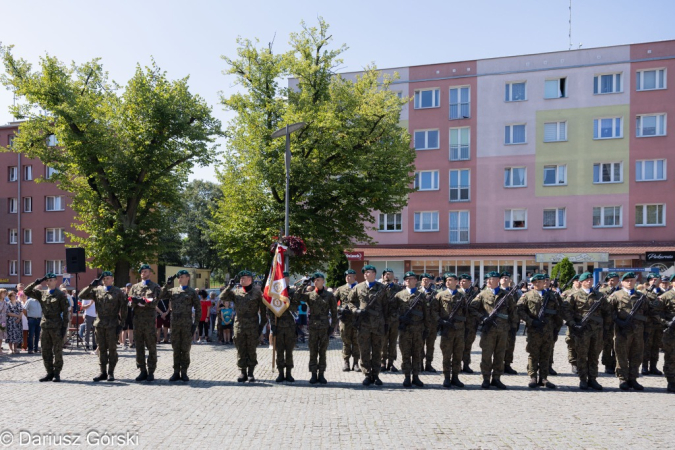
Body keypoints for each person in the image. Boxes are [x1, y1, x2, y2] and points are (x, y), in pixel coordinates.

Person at [564, 272, 612, 390]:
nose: (589, 281)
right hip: (581, 331)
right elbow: (566, 311)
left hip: (597, 330)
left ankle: (593, 379)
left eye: (591, 279)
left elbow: (608, 313)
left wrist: (606, 328)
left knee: (594, 355)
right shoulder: (574, 296)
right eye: (587, 280)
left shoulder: (600, 296)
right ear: (581, 282)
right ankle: (583, 379)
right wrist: (573, 324)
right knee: (581, 355)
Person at [470, 271, 518, 389]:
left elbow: (513, 312)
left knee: (500, 355)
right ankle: (486, 378)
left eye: (491, 279)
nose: (488, 281)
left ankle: (496, 378)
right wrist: (482, 318)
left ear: (497, 280)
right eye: (487, 279)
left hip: (503, 330)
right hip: (488, 330)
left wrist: (513, 327)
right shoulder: (482, 294)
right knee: (486, 355)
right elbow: (471, 308)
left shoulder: (507, 295)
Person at [79, 271, 127, 382]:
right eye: (104, 278)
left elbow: (124, 309)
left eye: (108, 278)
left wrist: (122, 324)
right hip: (100, 324)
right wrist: (91, 285)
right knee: (102, 349)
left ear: (112, 279)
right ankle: (103, 372)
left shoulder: (118, 292)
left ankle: (111, 372)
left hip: (112, 324)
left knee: (112, 349)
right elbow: (81, 295)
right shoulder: (97, 290)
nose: (105, 280)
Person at [608, 272, 651, 390]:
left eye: (632, 280)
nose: (629, 282)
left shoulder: (641, 296)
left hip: (638, 332)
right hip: (622, 331)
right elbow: (609, 312)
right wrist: (618, 321)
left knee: (636, 355)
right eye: (627, 280)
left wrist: (646, 330)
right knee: (621, 355)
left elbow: (648, 313)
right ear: (622, 282)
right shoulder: (616, 295)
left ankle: (633, 378)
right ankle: (623, 379)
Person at [219, 270, 264, 383]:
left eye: (244, 278)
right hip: (239, 325)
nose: (242, 280)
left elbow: (263, 311)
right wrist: (229, 286)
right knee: (241, 349)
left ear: (250, 279)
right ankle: (242, 372)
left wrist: (261, 327)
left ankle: (251, 373)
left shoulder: (257, 293)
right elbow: (222, 296)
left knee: (251, 349)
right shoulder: (236, 292)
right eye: (241, 278)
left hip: (252, 325)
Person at [348, 264, 389, 386]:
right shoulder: (358, 287)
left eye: (369, 272)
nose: (366, 274)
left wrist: (386, 323)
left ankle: (376, 375)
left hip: (378, 325)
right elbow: (350, 302)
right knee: (364, 350)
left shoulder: (382, 288)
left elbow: (387, 307)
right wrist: (356, 310)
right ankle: (366, 374)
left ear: (374, 274)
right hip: (363, 324)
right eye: (365, 272)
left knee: (377, 350)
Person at [24, 273, 70, 381]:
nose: (48, 282)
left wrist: (64, 328)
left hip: (56, 326)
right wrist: (37, 282)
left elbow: (65, 312)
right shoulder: (42, 293)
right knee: (45, 350)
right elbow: (27, 291)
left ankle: (57, 373)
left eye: (51, 280)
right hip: (45, 326)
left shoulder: (61, 295)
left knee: (57, 350)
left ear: (56, 281)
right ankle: (49, 372)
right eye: (47, 280)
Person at [517, 274, 560, 389]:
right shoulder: (527, 296)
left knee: (546, 354)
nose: (538, 284)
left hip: (548, 330)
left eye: (540, 281)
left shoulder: (552, 295)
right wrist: (530, 321)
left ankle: (544, 378)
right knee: (533, 354)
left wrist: (556, 329)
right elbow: (520, 310)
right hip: (534, 330)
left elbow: (558, 312)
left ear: (544, 283)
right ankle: (533, 377)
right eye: (535, 282)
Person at [295, 272, 337, 384]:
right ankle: (313, 374)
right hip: (313, 327)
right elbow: (297, 297)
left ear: (323, 281)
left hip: (324, 327)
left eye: (318, 280)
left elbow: (334, 312)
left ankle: (321, 374)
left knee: (322, 351)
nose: (316, 282)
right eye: (314, 280)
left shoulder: (329, 296)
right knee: (313, 351)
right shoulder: (310, 295)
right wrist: (303, 285)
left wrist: (332, 327)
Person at [160, 270, 201, 382]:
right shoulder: (173, 291)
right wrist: (167, 284)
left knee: (185, 349)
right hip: (175, 325)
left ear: (187, 278)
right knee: (176, 349)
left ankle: (184, 372)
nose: (179, 279)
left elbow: (198, 309)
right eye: (178, 277)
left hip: (187, 325)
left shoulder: (192, 292)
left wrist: (195, 324)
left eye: (182, 277)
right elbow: (160, 295)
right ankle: (176, 372)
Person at [393, 271, 430, 387]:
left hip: (418, 330)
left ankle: (416, 376)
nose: (409, 281)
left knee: (417, 354)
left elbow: (426, 314)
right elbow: (393, 311)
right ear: (405, 281)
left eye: (412, 279)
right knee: (406, 354)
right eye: (407, 279)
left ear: (416, 281)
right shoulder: (399, 295)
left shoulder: (422, 296)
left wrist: (427, 329)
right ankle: (407, 376)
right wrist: (401, 319)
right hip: (405, 331)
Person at [128, 264, 162, 382]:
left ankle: (151, 371)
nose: (143, 273)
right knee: (139, 347)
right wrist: (135, 302)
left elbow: (155, 302)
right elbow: (129, 302)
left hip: (149, 322)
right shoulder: (135, 287)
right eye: (142, 271)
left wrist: (143, 301)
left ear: (150, 273)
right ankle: (142, 370)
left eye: (146, 271)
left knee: (151, 346)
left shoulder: (155, 287)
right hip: (137, 321)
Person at [436, 273, 467, 388]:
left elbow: (466, 313)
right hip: (447, 330)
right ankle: (446, 377)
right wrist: (441, 321)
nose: (448, 282)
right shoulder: (440, 295)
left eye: (450, 280)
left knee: (458, 355)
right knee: (446, 355)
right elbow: (434, 311)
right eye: (446, 280)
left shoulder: (461, 296)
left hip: (459, 330)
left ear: (456, 282)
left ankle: (455, 377)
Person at [269, 272, 300, 382]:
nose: (284, 280)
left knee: (289, 351)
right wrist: (273, 324)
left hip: (290, 326)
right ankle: (281, 373)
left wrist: (287, 298)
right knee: (279, 351)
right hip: (279, 326)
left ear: (288, 280)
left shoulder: (292, 292)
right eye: (282, 278)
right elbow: (270, 310)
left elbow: (295, 307)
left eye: (286, 278)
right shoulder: (275, 293)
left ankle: (289, 373)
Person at [334, 269, 360, 372]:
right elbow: (332, 302)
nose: (348, 278)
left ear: (355, 277)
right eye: (347, 276)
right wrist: (339, 309)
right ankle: (346, 362)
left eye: (350, 276)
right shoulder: (340, 289)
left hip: (357, 319)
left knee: (357, 341)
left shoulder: (360, 288)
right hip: (345, 320)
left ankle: (356, 363)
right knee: (346, 341)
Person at [380, 268, 403, 373]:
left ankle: (391, 362)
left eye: (389, 274)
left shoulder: (398, 289)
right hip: (382, 319)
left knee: (393, 342)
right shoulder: (379, 288)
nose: (387, 276)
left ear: (393, 276)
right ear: (382, 277)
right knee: (383, 342)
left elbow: (401, 304)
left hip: (394, 320)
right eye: (385, 274)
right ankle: (382, 362)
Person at [642, 273, 665, 376]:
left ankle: (653, 366)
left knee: (656, 346)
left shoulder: (663, 293)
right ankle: (644, 367)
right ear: (649, 281)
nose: (654, 281)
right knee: (646, 345)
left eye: (656, 279)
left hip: (660, 324)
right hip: (648, 324)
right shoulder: (644, 293)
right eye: (652, 279)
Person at [500, 271, 521, 375]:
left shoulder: (515, 292)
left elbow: (518, 307)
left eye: (506, 277)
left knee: (510, 344)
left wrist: (516, 322)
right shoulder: (497, 292)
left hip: (511, 322)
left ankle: (507, 364)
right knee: (499, 345)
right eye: (503, 277)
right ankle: (498, 365)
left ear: (510, 280)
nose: (505, 279)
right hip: (499, 323)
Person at [459, 274, 480, 373]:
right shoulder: (457, 293)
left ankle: (466, 364)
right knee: (457, 345)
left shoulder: (475, 294)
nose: (463, 283)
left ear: (470, 282)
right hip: (459, 324)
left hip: (471, 323)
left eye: (465, 281)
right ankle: (456, 364)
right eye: (462, 281)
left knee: (468, 345)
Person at [600, 272, 620, 374]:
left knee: (617, 345)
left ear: (618, 281)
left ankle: (616, 364)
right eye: (610, 280)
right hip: (607, 323)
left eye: (614, 280)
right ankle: (608, 365)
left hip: (619, 322)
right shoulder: (602, 292)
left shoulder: (621, 292)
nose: (612, 282)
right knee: (607, 344)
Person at [560, 274, 580, 373]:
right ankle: (574, 363)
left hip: (584, 324)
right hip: (571, 322)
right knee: (571, 343)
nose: (579, 282)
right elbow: (562, 308)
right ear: (574, 281)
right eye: (577, 280)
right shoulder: (567, 293)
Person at [658, 274, 675, 393]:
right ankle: (671, 381)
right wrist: (666, 323)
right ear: (672, 282)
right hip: (671, 332)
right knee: (671, 357)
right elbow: (656, 313)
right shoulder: (665, 297)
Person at [420, 273, 439, 372]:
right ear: (421, 281)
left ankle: (428, 364)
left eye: (428, 280)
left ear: (431, 281)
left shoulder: (435, 293)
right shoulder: (417, 292)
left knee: (430, 345)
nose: (426, 281)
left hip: (432, 323)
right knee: (420, 344)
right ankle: (420, 363)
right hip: (420, 323)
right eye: (424, 280)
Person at [23, 289, 42, 354]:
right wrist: (27, 317)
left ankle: (36, 348)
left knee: (37, 335)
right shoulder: (29, 301)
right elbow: (24, 310)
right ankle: (30, 349)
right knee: (31, 335)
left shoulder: (41, 301)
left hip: (39, 319)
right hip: (31, 319)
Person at [0, 289, 7, 355]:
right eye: (3, 293)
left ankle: (0, 349)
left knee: (1, 335)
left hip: (3, 320)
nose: (5, 294)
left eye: (5, 293)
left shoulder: (5, 301)